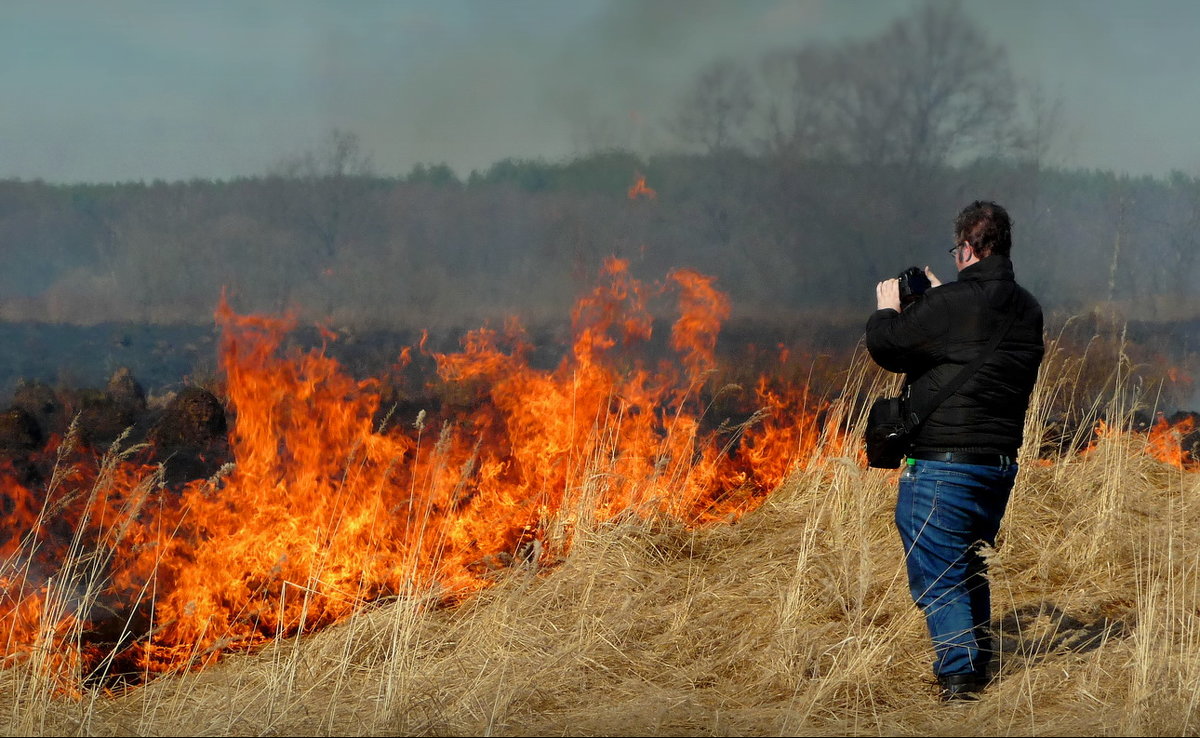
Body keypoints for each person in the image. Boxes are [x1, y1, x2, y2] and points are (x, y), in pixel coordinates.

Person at [864, 201, 1044, 701]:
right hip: (997, 466)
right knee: (968, 565)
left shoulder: (953, 306)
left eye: (956, 249)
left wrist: (886, 306)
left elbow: (889, 347)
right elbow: (976, 336)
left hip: (944, 466)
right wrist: (946, 297)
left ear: (967, 247)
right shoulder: (1027, 308)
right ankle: (976, 666)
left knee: (940, 574)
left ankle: (960, 681)